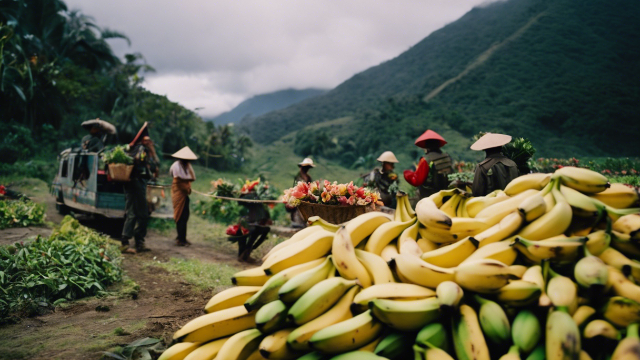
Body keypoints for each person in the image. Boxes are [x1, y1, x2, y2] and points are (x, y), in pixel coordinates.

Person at [121, 122, 159, 254]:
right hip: (138, 184)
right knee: (143, 213)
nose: (150, 142)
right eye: (148, 140)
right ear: (143, 140)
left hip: (129, 183)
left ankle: (125, 242)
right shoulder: (142, 151)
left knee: (131, 212)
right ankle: (139, 242)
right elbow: (154, 165)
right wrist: (153, 152)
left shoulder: (131, 149)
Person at [405, 130, 455, 199]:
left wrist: (407, 174)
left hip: (431, 196)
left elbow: (417, 181)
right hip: (448, 194)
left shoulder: (426, 160)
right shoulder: (447, 157)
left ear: (427, 146)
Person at [169, 146, 197, 247]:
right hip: (178, 192)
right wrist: (187, 187)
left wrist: (187, 187)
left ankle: (182, 237)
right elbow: (178, 181)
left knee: (185, 215)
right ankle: (180, 239)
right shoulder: (176, 166)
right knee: (180, 215)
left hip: (185, 193)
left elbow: (192, 178)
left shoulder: (186, 166)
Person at [237, 180, 271, 262]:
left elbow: (264, 212)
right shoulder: (250, 196)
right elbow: (240, 201)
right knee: (252, 232)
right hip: (247, 224)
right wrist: (244, 194)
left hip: (254, 224)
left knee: (264, 229)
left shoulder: (258, 198)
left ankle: (247, 252)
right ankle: (243, 254)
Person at [290, 158, 315, 227]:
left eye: (308, 167)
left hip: (306, 199)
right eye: (306, 167)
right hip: (299, 199)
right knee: (298, 216)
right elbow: (296, 188)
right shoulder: (298, 176)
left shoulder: (308, 177)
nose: (307, 169)